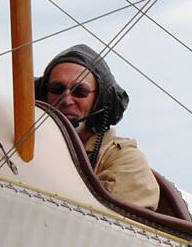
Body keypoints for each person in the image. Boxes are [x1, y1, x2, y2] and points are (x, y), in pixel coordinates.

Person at [34, 44, 161, 208]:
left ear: (101, 101)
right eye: (56, 89)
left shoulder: (126, 161)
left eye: (80, 92)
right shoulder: (29, 146)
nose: (66, 100)